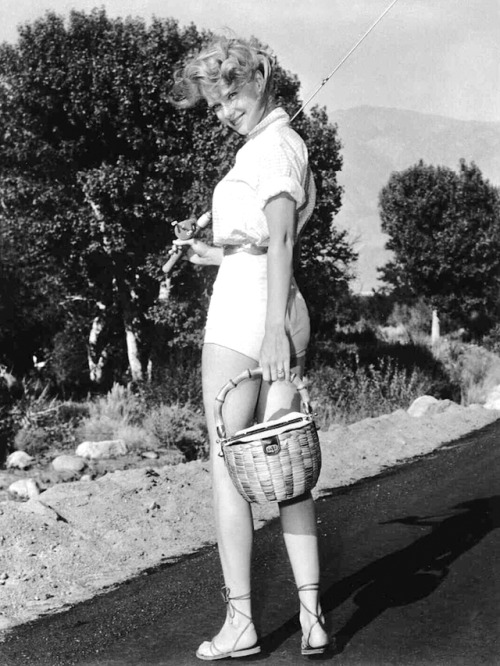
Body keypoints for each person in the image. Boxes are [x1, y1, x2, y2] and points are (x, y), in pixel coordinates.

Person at [169, 36, 330, 660]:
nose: (223, 110)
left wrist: (268, 333)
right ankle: (312, 617)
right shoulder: (270, 146)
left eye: (230, 95)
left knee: (229, 466)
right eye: (214, 102)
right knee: (282, 462)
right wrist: (210, 253)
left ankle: (241, 623)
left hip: (253, 312)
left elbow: (282, 241)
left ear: (259, 78)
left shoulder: (276, 147)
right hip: (269, 298)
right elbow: (262, 243)